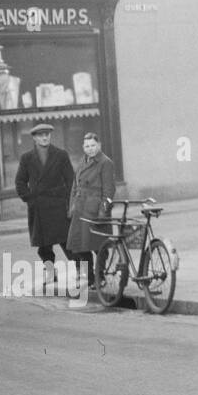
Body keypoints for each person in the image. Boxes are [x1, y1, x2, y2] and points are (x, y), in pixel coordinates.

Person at [15, 123, 75, 287]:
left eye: (47, 134)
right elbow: (20, 182)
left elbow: (71, 181)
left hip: (59, 205)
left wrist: (71, 203)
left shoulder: (61, 155)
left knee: (68, 243)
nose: (44, 137)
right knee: (44, 246)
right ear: (34, 138)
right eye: (40, 135)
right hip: (39, 207)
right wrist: (30, 199)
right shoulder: (27, 158)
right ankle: (50, 274)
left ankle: (81, 274)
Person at [67, 132, 117, 287]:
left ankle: (99, 277)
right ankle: (89, 277)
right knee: (80, 246)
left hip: (95, 210)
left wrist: (104, 209)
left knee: (99, 246)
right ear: (83, 147)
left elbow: (109, 189)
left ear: (99, 145)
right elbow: (75, 186)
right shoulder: (82, 162)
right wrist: (72, 206)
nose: (90, 149)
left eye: (93, 145)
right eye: (87, 146)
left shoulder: (105, 163)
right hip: (81, 209)